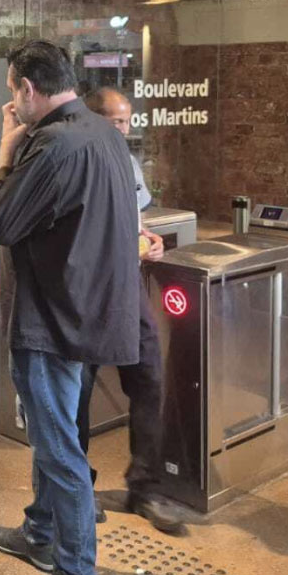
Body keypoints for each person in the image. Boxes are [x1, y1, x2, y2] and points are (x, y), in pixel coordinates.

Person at [0, 41, 140, 575]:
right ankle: (41, 530)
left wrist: (4, 156)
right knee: (58, 436)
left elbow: (2, 223)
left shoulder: (54, 144)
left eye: (12, 91)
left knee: (58, 447)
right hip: (87, 312)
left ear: (28, 89)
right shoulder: (103, 133)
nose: (12, 104)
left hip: (52, 320)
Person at [78, 86, 185, 537]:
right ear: (93, 119)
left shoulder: (128, 162)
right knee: (76, 393)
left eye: (127, 121)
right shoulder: (77, 160)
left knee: (149, 379)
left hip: (127, 288)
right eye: (116, 121)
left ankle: (145, 487)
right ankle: (78, 489)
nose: (124, 129)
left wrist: (149, 239)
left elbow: (134, 218)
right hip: (85, 293)